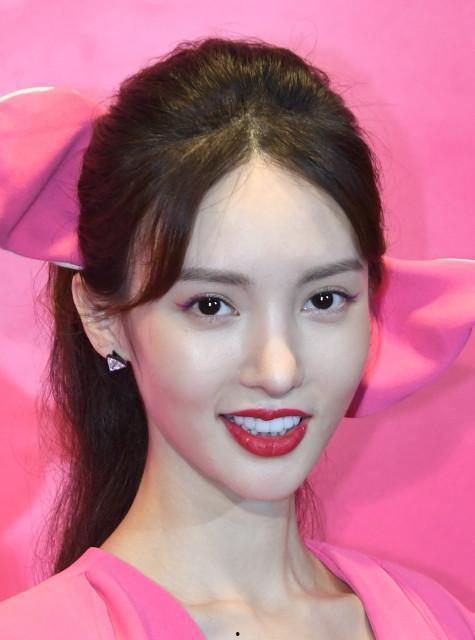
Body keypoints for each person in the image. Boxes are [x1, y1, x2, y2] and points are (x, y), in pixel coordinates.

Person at [0, 37, 474, 639]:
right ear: (104, 318)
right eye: (212, 305)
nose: (278, 370)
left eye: (323, 299)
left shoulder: (439, 622)